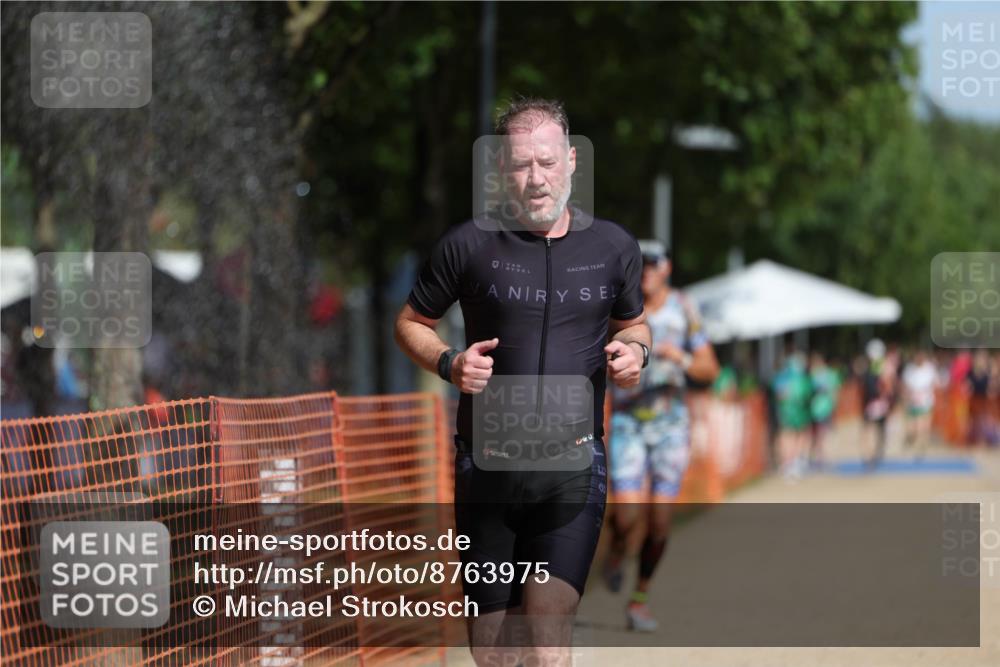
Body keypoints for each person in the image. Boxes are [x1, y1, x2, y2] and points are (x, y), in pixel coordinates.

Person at [395, 97, 651, 666]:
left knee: (545, 647)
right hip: (486, 468)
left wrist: (636, 353)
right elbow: (411, 323)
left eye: (547, 162)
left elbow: (635, 324)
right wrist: (449, 364)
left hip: (573, 469)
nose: (536, 179)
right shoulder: (468, 244)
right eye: (520, 165)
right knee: (495, 657)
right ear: (501, 170)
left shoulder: (613, 247)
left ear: (571, 162)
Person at [600, 240, 719, 631]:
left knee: (661, 522)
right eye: (640, 265)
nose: (645, 271)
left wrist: (679, 357)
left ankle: (639, 599)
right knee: (627, 515)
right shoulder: (617, 305)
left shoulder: (684, 308)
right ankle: (616, 552)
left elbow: (708, 369)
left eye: (652, 264)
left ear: (667, 268)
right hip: (627, 422)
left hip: (670, 425)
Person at [771, 349, 813, 479]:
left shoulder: (781, 377)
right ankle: (793, 462)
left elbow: (778, 394)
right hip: (796, 414)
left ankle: (789, 463)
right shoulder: (802, 378)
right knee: (796, 437)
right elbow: (807, 395)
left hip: (786, 413)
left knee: (787, 437)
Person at [862, 338, 896, 468]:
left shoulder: (879, 366)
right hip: (878, 403)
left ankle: (871, 455)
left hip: (876, 403)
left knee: (871, 429)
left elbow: (887, 385)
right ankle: (873, 454)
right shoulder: (882, 365)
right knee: (876, 429)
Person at [902, 349, 938, 458]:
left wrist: (925, 392)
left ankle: (922, 447)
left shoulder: (930, 369)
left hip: (925, 402)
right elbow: (905, 385)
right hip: (912, 402)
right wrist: (907, 396)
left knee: (923, 427)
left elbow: (935, 383)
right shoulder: (909, 369)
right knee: (913, 428)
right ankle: (911, 438)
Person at [808, 351, 840, 468]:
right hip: (815, 409)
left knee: (822, 434)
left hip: (823, 409)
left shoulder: (827, 375)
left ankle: (822, 457)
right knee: (818, 435)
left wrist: (833, 406)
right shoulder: (813, 375)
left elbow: (834, 392)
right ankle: (819, 457)